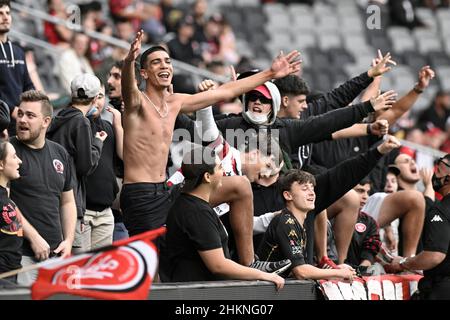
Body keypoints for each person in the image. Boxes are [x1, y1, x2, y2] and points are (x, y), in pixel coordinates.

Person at [120, 30, 300, 239]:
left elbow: (225, 92)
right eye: (156, 62)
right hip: (140, 194)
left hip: (166, 189)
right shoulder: (137, 103)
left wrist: (270, 73)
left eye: (167, 61)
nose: (164, 66)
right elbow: (128, 88)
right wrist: (128, 62)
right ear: (143, 73)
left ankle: (249, 262)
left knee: (240, 187)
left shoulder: (175, 102)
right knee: (151, 261)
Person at [160, 145, 287, 289]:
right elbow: (219, 265)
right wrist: (261, 274)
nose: (224, 173)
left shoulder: (198, 207)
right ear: (207, 177)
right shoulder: (196, 213)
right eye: (220, 168)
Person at [10, 90, 76, 285]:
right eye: (20, 114)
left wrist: (68, 241)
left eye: (30, 116)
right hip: (22, 254)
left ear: (46, 121)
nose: (22, 120)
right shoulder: (8, 151)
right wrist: (33, 237)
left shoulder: (59, 153)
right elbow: (4, 201)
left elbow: (68, 201)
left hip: (56, 255)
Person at [47, 74, 107, 253]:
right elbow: (85, 166)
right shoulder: (81, 122)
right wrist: (97, 143)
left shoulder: (58, 117)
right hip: (70, 202)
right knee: (75, 265)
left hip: (53, 197)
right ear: (95, 98)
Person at [386, 154, 450, 300]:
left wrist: (403, 263)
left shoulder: (441, 210)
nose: (434, 174)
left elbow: (434, 256)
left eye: (438, 171)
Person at [85, 84, 123, 249]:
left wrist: (119, 125)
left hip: (106, 211)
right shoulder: (76, 126)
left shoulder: (108, 127)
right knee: (80, 268)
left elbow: (122, 156)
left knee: (100, 269)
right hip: (83, 211)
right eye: (91, 96)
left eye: (100, 96)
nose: (96, 101)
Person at [0, 0, 35, 136]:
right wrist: (11, 110)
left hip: (22, 119)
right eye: (0, 13)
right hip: (3, 121)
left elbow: (27, 84)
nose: (5, 17)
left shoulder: (18, 51)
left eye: (8, 13)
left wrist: (37, 102)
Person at [346, 178, 382, 271]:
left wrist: (362, 270)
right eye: (360, 191)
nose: (365, 196)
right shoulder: (330, 217)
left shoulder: (370, 222)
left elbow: (370, 250)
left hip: (357, 274)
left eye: (367, 192)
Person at [0, 139, 23, 282]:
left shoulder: (5, 195)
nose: (19, 161)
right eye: (14, 156)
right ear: (1, 164)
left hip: (11, 275)